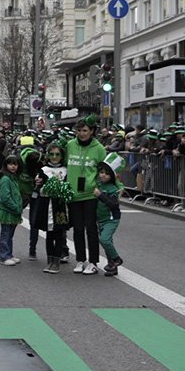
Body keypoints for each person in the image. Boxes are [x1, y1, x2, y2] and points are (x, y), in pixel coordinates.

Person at [65, 117, 106, 275]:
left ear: (92, 132)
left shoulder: (99, 149)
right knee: (77, 229)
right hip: (73, 194)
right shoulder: (69, 145)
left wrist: (101, 189)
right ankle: (80, 260)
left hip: (90, 195)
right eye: (79, 130)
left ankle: (94, 262)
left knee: (91, 229)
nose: (81, 134)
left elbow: (105, 171)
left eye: (85, 131)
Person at [36, 143, 71, 274]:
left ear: (62, 156)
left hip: (61, 205)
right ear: (47, 155)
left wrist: (63, 190)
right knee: (49, 234)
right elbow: (39, 188)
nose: (54, 157)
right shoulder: (43, 169)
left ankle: (57, 261)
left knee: (59, 233)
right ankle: (49, 260)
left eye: (57, 154)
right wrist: (43, 187)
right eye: (52, 154)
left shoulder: (66, 169)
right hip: (47, 204)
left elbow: (69, 186)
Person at [95, 153, 124, 276]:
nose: (103, 175)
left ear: (111, 175)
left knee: (104, 240)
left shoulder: (113, 188)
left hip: (111, 218)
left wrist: (100, 195)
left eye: (106, 173)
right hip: (101, 218)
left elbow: (113, 204)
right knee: (108, 242)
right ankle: (112, 266)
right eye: (101, 172)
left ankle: (117, 259)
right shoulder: (99, 184)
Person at [0, 155, 23, 266]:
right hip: (8, 211)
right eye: (10, 164)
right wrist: (16, 207)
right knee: (6, 234)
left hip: (13, 211)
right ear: (6, 165)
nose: (13, 166)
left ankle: (8, 254)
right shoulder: (5, 178)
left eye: (15, 164)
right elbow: (5, 197)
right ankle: (4, 256)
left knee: (9, 234)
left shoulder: (13, 177)